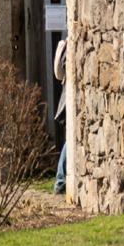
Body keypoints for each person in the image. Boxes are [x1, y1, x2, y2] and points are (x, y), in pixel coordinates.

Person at [53, 35, 69, 195]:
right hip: (70, 96)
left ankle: (60, 181)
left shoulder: (64, 44)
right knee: (70, 140)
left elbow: (58, 74)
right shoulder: (68, 45)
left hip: (66, 94)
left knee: (69, 140)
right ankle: (60, 181)